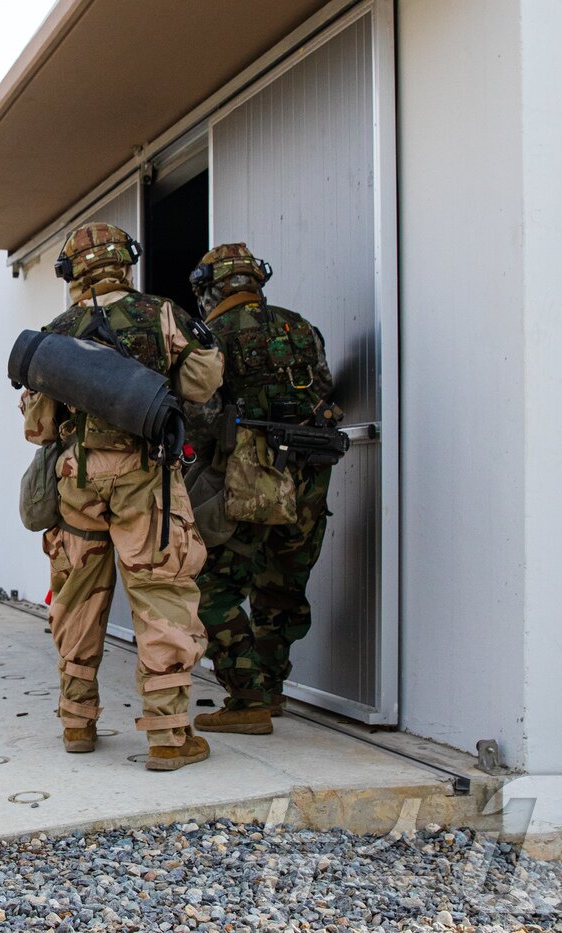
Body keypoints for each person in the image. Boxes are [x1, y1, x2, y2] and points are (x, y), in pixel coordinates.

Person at [19, 222, 223, 771]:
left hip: (77, 479)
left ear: (72, 273)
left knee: (77, 596)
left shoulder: (55, 332)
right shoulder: (161, 314)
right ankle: (167, 735)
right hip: (147, 478)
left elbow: (39, 428)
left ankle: (77, 723)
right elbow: (204, 383)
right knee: (161, 594)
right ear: (125, 264)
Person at [182, 243, 338, 735]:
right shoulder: (302, 328)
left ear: (209, 288)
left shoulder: (210, 336)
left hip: (250, 477)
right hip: (310, 476)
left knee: (210, 587)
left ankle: (248, 695)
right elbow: (324, 389)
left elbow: (201, 419)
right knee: (283, 588)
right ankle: (269, 691)